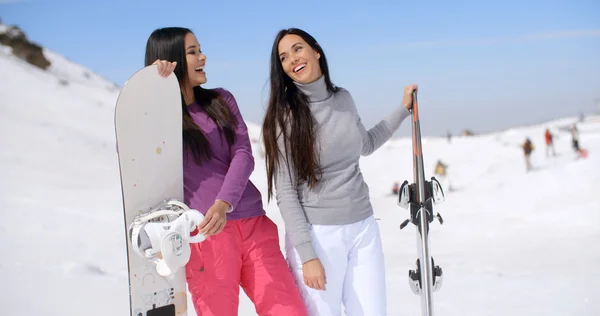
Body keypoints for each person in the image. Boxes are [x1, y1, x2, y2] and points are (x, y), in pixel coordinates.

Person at [144, 27, 307, 316]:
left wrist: (223, 203)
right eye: (192, 52)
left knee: (288, 310)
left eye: (200, 49)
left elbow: (243, 154)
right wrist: (154, 91)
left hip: (253, 225)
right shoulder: (160, 117)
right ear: (171, 60)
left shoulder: (221, 100)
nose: (202, 56)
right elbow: (134, 156)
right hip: (205, 236)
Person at [261, 27, 416, 315]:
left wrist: (403, 109)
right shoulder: (286, 116)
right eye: (283, 57)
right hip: (318, 235)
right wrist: (307, 256)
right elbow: (285, 189)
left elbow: (366, 144)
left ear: (316, 50)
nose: (292, 59)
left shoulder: (343, 98)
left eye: (297, 48)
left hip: (363, 226)